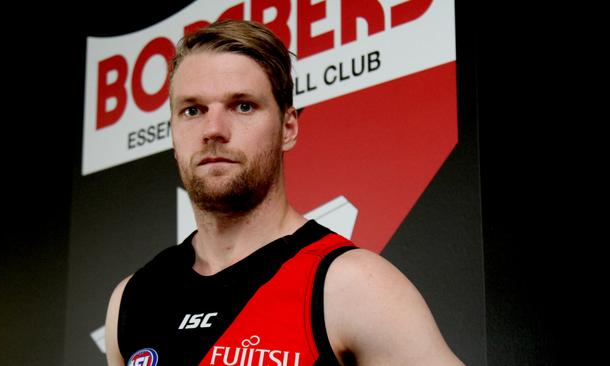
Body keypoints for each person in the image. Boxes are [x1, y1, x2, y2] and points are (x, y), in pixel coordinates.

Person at [105, 19, 464, 366]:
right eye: (193, 110)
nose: (213, 129)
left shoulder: (351, 285)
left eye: (243, 105)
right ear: (173, 131)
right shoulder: (132, 298)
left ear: (288, 128)